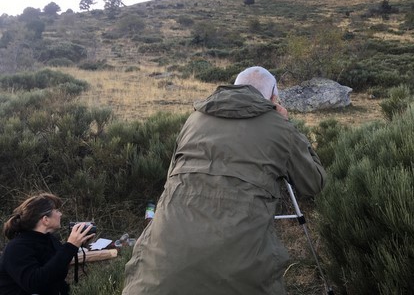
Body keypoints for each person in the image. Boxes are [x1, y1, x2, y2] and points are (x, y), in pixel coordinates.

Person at [122, 66, 327, 295]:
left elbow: (171, 176)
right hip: (242, 276)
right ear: (273, 96)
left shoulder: (194, 118)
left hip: (156, 271)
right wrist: (289, 127)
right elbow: (314, 183)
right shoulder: (279, 126)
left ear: (235, 87)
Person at [0, 193, 95, 295]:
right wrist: (70, 246)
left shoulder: (49, 239)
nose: (60, 214)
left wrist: (77, 244)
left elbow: (56, 269)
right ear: (45, 220)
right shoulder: (17, 247)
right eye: (57, 211)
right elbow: (35, 284)